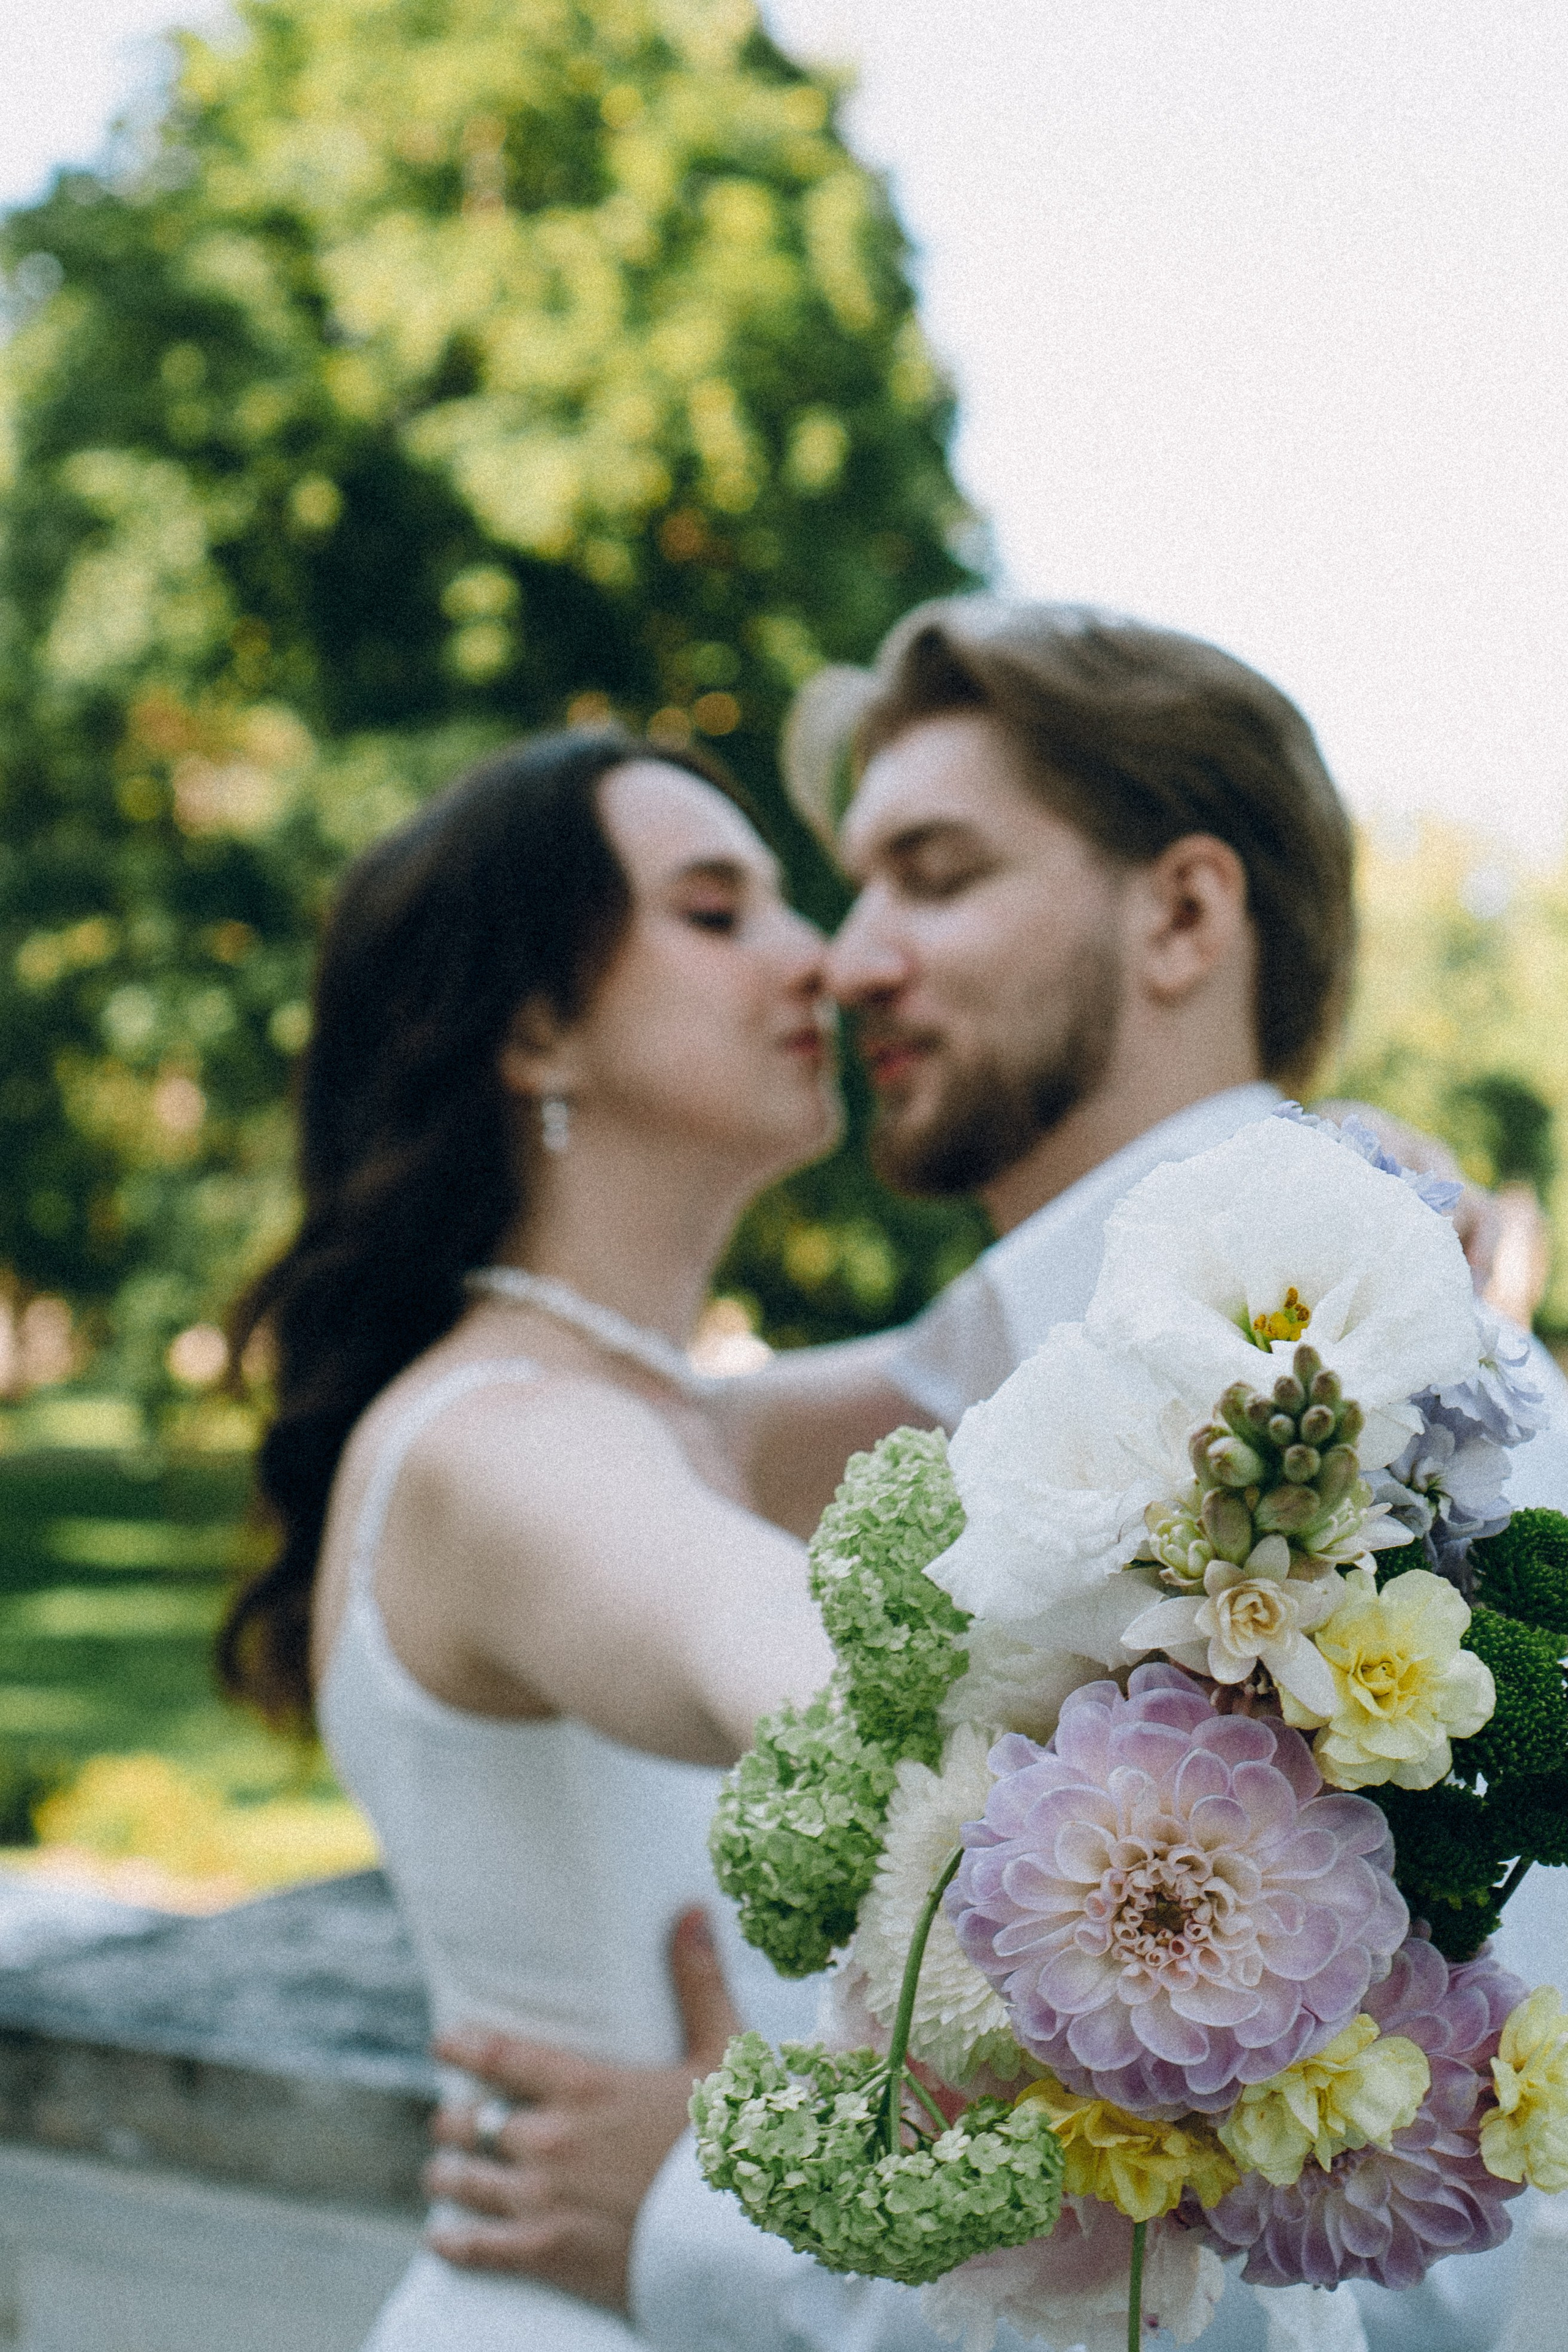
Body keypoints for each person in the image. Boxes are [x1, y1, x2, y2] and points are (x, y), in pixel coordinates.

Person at [428, 600, 1568, 2352]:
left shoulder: (1384, 1439)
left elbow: (1448, 2235)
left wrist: (715, 2216)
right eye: (852, 886)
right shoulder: (997, 1381)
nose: (848, 959)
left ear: (1184, 913)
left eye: (935, 878)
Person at [219, 724, 903, 2351]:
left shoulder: (699, 1420)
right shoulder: (499, 1450)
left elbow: (1084, 1332)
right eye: (718, 912)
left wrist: (1355, 1202)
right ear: (534, 1028)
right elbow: (825, 1684)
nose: (822, 957)